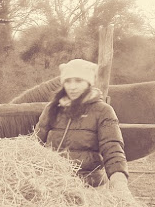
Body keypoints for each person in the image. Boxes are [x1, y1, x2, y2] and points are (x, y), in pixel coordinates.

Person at [34, 58, 130, 191]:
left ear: (88, 83)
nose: (72, 87)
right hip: (53, 186)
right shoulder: (52, 109)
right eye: (68, 81)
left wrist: (118, 180)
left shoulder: (103, 111)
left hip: (88, 187)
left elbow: (112, 148)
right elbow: (36, 144)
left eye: (78, 81)